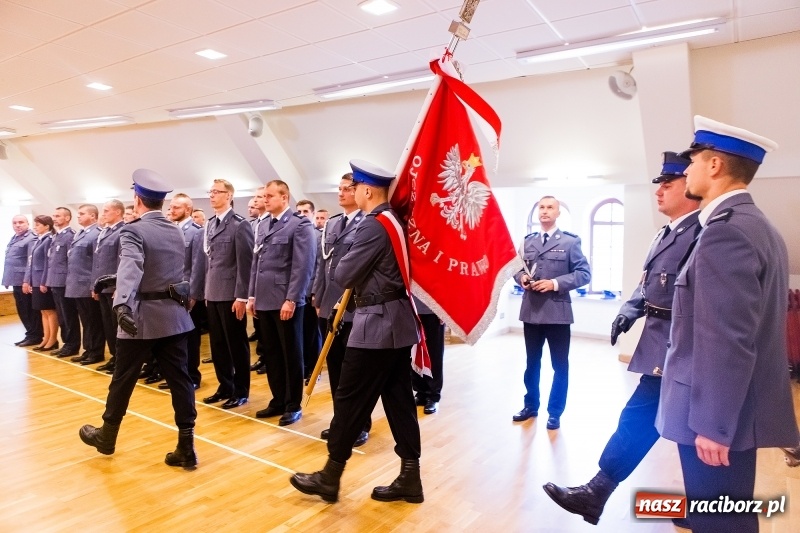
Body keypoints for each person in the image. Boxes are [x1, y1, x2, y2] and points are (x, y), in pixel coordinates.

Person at [656, 116, 798, 533]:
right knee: (725, 514)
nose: (686, 171)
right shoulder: (757, 225)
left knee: (723, 522)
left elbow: (727, 339)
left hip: (716, 415)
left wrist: (714, 426)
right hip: (732, 406)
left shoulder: (727, 233)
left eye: (694, 160)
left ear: (714, 165)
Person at [542, 152, 700, 526]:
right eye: (659, 183)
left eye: (668, 183)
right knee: (661, 422)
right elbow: (650, 283)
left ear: (690, 188)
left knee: (679, 428)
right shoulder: (670, 231)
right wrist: (630, 309)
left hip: (683, 346)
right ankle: (601, 491)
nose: (659, 191)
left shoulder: (702, 233)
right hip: (663, 343)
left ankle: (602, 492)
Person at [290, 159, 423, 504]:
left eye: (355, 187)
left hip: (376, 324)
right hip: (395, 322)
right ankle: (410, 476)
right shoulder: (391, 221)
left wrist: (346, 257)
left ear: (367, 190)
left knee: (349, 398)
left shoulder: (372, 225)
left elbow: (344, 274)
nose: (352, 192)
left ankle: (330, 475)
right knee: (398, 402)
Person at [79, 169, 198, 468]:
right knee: (181, 381)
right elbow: (158, 269)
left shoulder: (133, 230)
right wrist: (113, 277)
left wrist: (120, 304)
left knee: (122, 380)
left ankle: (107, 436)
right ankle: (186, 446)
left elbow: (134, 266)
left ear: (137, 200)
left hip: (141, 318)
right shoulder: (175, 229)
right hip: (173, 317)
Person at [512, 196, 591, 429]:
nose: (545, 211)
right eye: (541, 208)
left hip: (557, 313)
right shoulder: (528, 242)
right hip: (532, 312)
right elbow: (516, 268)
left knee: (559, 365)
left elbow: (584, 274)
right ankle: (530, 405)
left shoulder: (570, 242)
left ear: (558, 213)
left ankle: (555, 412)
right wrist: (522, 278)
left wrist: (554, 283)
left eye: (550, 208)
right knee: (531, 363)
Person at [250, 180, 316, 426]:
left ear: (284, 197)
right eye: (263, 196)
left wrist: (292, 299)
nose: (264, 200)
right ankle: (278, 399)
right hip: (265, 299)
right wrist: (252, 296)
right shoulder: (264, 224)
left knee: (291, 353)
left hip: (285, 301)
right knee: (272, 353)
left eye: (269, 196)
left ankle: (293, 404)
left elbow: (303, 266)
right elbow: (256, 265)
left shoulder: (299, 225)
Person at [312, 172, 368, 446]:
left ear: (359, 192)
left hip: (353, 307)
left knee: (354, 371)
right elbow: (323, 265)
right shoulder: (333, 224)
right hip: (330, 305)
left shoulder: (367, 222)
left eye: (348, 189)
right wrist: (318, 296)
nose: (342, 193)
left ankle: (359, 425)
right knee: (334, 366)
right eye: (340, 188)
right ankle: (340, 419)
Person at [202, 179, 254, 409]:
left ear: (229, 196)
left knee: (236, 344)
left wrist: (242, 296)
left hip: (231, 294)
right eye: (211, 192)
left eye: (217, 192)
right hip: (213, 292)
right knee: (218, 345)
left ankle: (241, 389)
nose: (212, 195)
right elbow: (211, 262)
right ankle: (225, 385)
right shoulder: (211, 223)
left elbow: (245, 264)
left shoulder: (239, 225)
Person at [159, 193, 205, 391]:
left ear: (188, 209)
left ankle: (192, 376)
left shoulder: (196, 232)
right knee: (174, 339)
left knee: (190, 338)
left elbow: (197, 266)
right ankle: (177, 377)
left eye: (176, 208)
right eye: (170, 207)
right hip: (170, 292)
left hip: (186, 293)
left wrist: (193, 294)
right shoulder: (170, 229)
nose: (171, 211)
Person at [66, 204, 105, 365]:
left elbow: (96, 262)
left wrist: (94, 286)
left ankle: (96, 352)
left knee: (93, 321)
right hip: (77, 284)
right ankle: (88, 349)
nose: (78, 216)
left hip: (87, 283)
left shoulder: (96, 234)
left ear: (93, 216)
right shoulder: (81, 233)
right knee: (86, 321)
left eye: (82, 214)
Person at [92, 200, 125, 374]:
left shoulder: (123, 231)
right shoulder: (105, 232)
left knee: (116, 326)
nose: (103, 214)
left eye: (106, 211)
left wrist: (120, 285)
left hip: (113, 287)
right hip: (103, 286)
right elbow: (97, 262)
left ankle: (120, 359)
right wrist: (94, 285)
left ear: (118, 212)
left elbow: (122, 261)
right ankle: (113, 356)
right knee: (107, 325)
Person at [47, 207, 81, 357]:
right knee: (61, 315)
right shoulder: (56, 236)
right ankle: (66, 343)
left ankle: (72, 344)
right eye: (54, 215)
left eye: (58, 216)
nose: (54, 218)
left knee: (69, 315)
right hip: (55, 280)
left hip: (64, 282)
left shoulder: (70, 236)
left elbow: (71, 261)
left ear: (67, 218)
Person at [4, 215, 42, 346]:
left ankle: (36, 335)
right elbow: (11, 260)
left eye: (21, 222)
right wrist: (7, 279)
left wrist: (27, 281)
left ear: (28, 223)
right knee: (22, 309)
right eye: (14, 223)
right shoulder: (15, 238)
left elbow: (30, 262)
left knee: (29, 310)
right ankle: (30, 333)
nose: (17, 225)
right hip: (15, 279)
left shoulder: (31, 238)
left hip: (25, 281)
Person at [23, 215, 58, 351]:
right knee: (43, 311)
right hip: (36, 280)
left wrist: (44, 281)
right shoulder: (39, 240)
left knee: (50, 310)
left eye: (38, 225)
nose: (35, 227)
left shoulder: (48, 240)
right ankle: (46, 338)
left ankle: (53, 339)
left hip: (43, 281)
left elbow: (47, 263)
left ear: (47, 226)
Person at [296, 198, 322, 378]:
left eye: (306, 212)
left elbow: (319, 265)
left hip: (311, 289)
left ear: (312, 214)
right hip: (298, 291)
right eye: (299, 212)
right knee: (301, 332)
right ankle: (304, 366)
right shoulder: (296, 232)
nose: (302, 215)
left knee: (313, 333)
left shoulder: (319, 235)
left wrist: (314, 291)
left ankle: (315, 368)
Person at [411, 297, 445, 415]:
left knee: (434, 353)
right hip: (411, 308)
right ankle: (421, 393)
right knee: (414, 353)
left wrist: (443, 309)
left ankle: (433, 396)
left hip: (433, 309)